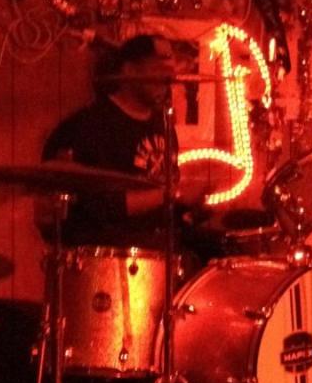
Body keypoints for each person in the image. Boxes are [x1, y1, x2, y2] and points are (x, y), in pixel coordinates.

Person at [41, 34, 208, 249]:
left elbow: (166, 192)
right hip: (108, 252)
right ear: (129, 70)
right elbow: (102, 208)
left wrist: (191, 204)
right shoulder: (90, 126)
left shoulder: (162, 123)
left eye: (170, 74)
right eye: (158, 71)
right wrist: (171, 194)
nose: (166, 82)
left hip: (159, 250)